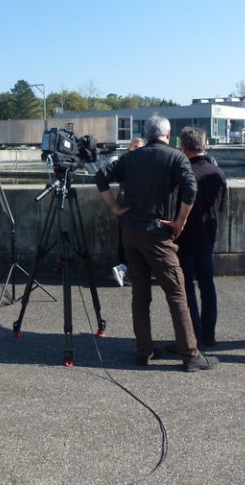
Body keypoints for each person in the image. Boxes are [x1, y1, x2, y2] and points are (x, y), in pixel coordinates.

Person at [95, 115, 217, 373]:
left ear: (147, 134)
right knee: (176, 293)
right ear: (168, 134)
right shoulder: (175, 157)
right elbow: (190, 189)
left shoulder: (130, 157)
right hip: (157, 234)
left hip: (130, 232)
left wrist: (116, 208)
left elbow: (101, 177)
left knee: (140, 295)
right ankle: (191, 354)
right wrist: (180, 222)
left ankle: (144, 349)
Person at [175, 127, 226, 346]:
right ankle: (209, 333)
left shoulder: (185, 174)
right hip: (207, 237)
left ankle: (192, 335)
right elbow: (222, 207)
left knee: (186, 290)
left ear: (184, 147)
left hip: (185, 238)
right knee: (207, 286)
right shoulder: (217, 172)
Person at [111, 137, 145, 287]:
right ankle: (123, 269)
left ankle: (125, 270)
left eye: (139, 147)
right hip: (127, 204)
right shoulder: (126, 161)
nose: (137, 150)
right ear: (129, 148)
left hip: (129, 203)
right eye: (134, 147)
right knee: (124, 240)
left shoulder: (128, 161)